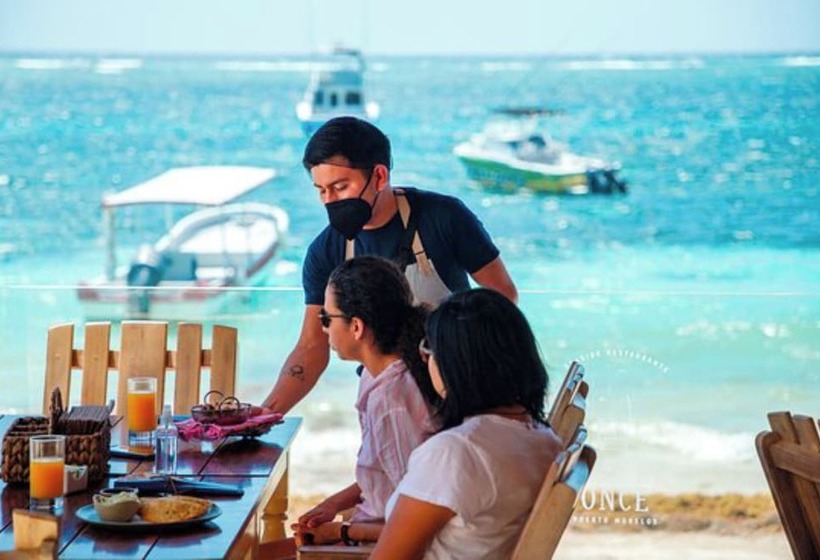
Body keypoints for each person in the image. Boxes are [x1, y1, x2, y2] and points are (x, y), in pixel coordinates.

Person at [260, 116, 517, 414]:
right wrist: (265, 415)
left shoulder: (444, 218)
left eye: (341, 186)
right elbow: (312, 346)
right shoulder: (326, 252)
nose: (330, 201)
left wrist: (457, 369)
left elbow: (503, 297)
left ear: (379, 177)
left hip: (460, 393)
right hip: (383, 403)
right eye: (321, 190)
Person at [296, 288, 563, 559]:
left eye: (429, 348)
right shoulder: (545, 439)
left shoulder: (456, 452)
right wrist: (343, 531)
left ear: (457, 363)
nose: (424, 358)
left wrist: (343, 532)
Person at [292, 256, 438, 541]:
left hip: (383, 541)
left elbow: (417, 517)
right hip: (372, 526)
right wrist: (333, 504)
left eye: (326, 318)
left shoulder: (393, 401)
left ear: (356, 327)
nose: (323, 328)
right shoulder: (377, 376)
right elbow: (389, 472)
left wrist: (340, 531)